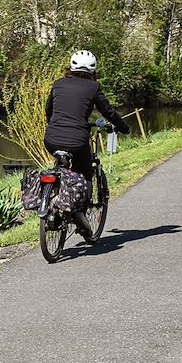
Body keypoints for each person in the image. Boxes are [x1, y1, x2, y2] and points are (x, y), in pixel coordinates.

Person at [44, 50, 130, 234]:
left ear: (71, 66)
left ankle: (54, 201)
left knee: (62, 167)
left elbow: (48, 110)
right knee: (85, 172)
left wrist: (54, 124)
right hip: (77, 139)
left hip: (51, 137)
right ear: (93, 70)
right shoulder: (93, 87)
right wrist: (123, 127)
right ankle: (80, 214)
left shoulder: (58, 84)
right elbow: (108, 112)